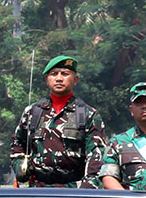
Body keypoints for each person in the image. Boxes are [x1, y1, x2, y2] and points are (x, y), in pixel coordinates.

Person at [9, 55, 108, 188]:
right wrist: (20, 167)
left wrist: (86, 190)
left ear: (75, 80)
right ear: (46, 80)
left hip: (73, 189)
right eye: (54, 74)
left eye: (65, 74)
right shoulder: (33, 112)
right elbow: (17, 143)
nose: (59, 78)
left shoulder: (87, 114)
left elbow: (96, 156)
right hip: (37, 190)